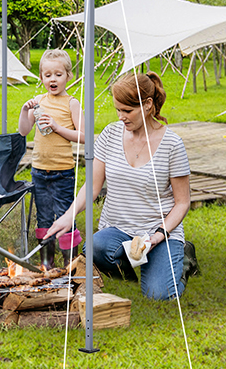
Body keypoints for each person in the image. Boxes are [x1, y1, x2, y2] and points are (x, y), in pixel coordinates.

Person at [45, 72, 198, 300]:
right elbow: (93, 186)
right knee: (94, 248)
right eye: (118, 110)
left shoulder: (172, 144)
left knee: (159, 295)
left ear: (147, 105)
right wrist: (69, 215)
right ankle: (137, 265)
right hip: (119, 231)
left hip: (158, 233)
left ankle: (183, 260)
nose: (121, 117)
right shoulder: (110, 134)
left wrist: (157, 236)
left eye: (127, 111)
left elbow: (182, 202)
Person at [17, 49, 84, 268]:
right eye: (47, 75)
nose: (52, 79)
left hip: (62, 171)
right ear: (41, 78)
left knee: (65, 217)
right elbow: (24, 130)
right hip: (39, 170)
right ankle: (47, 264)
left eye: (58, 74)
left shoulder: (71, 103)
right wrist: (23, 112)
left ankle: (71, 264)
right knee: (43, 218)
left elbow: (84, 136)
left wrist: (56, 127)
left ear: (68, 76)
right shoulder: (38, 101)